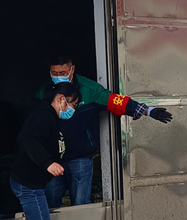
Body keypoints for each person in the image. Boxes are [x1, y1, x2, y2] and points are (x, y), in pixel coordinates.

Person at [37, 53, 173, 208]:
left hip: (80, 158)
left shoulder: (89, 89)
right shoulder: (44, 92)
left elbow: (116, 101)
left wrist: (147, 111)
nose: (58, 77)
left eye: (62, 73)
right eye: (54, 73)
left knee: (81, 206)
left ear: (72, 70)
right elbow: (34, 125)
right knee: (50, 205)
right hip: (52, 159)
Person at [9, 81, 81, 220]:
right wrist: (48, 163)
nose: (72, 109)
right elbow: (29, 140)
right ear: (61, 99)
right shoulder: (43, 116)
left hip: (32, 183)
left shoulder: (47, 115)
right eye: (72, 104)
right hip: (28, 185)